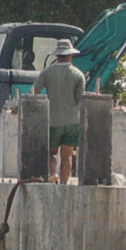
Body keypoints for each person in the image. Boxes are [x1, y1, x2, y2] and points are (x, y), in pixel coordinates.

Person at [41, 39, 87, 181]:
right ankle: (64, 184)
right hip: (72, 123)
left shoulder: (47, 72)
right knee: (67, 155)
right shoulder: (78, 75)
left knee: (51, 153)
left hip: (53, 122)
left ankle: (52, 174)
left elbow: (33, 90)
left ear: (57, 55)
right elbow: (80, 100)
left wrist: (17, 109)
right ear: (71, 55)